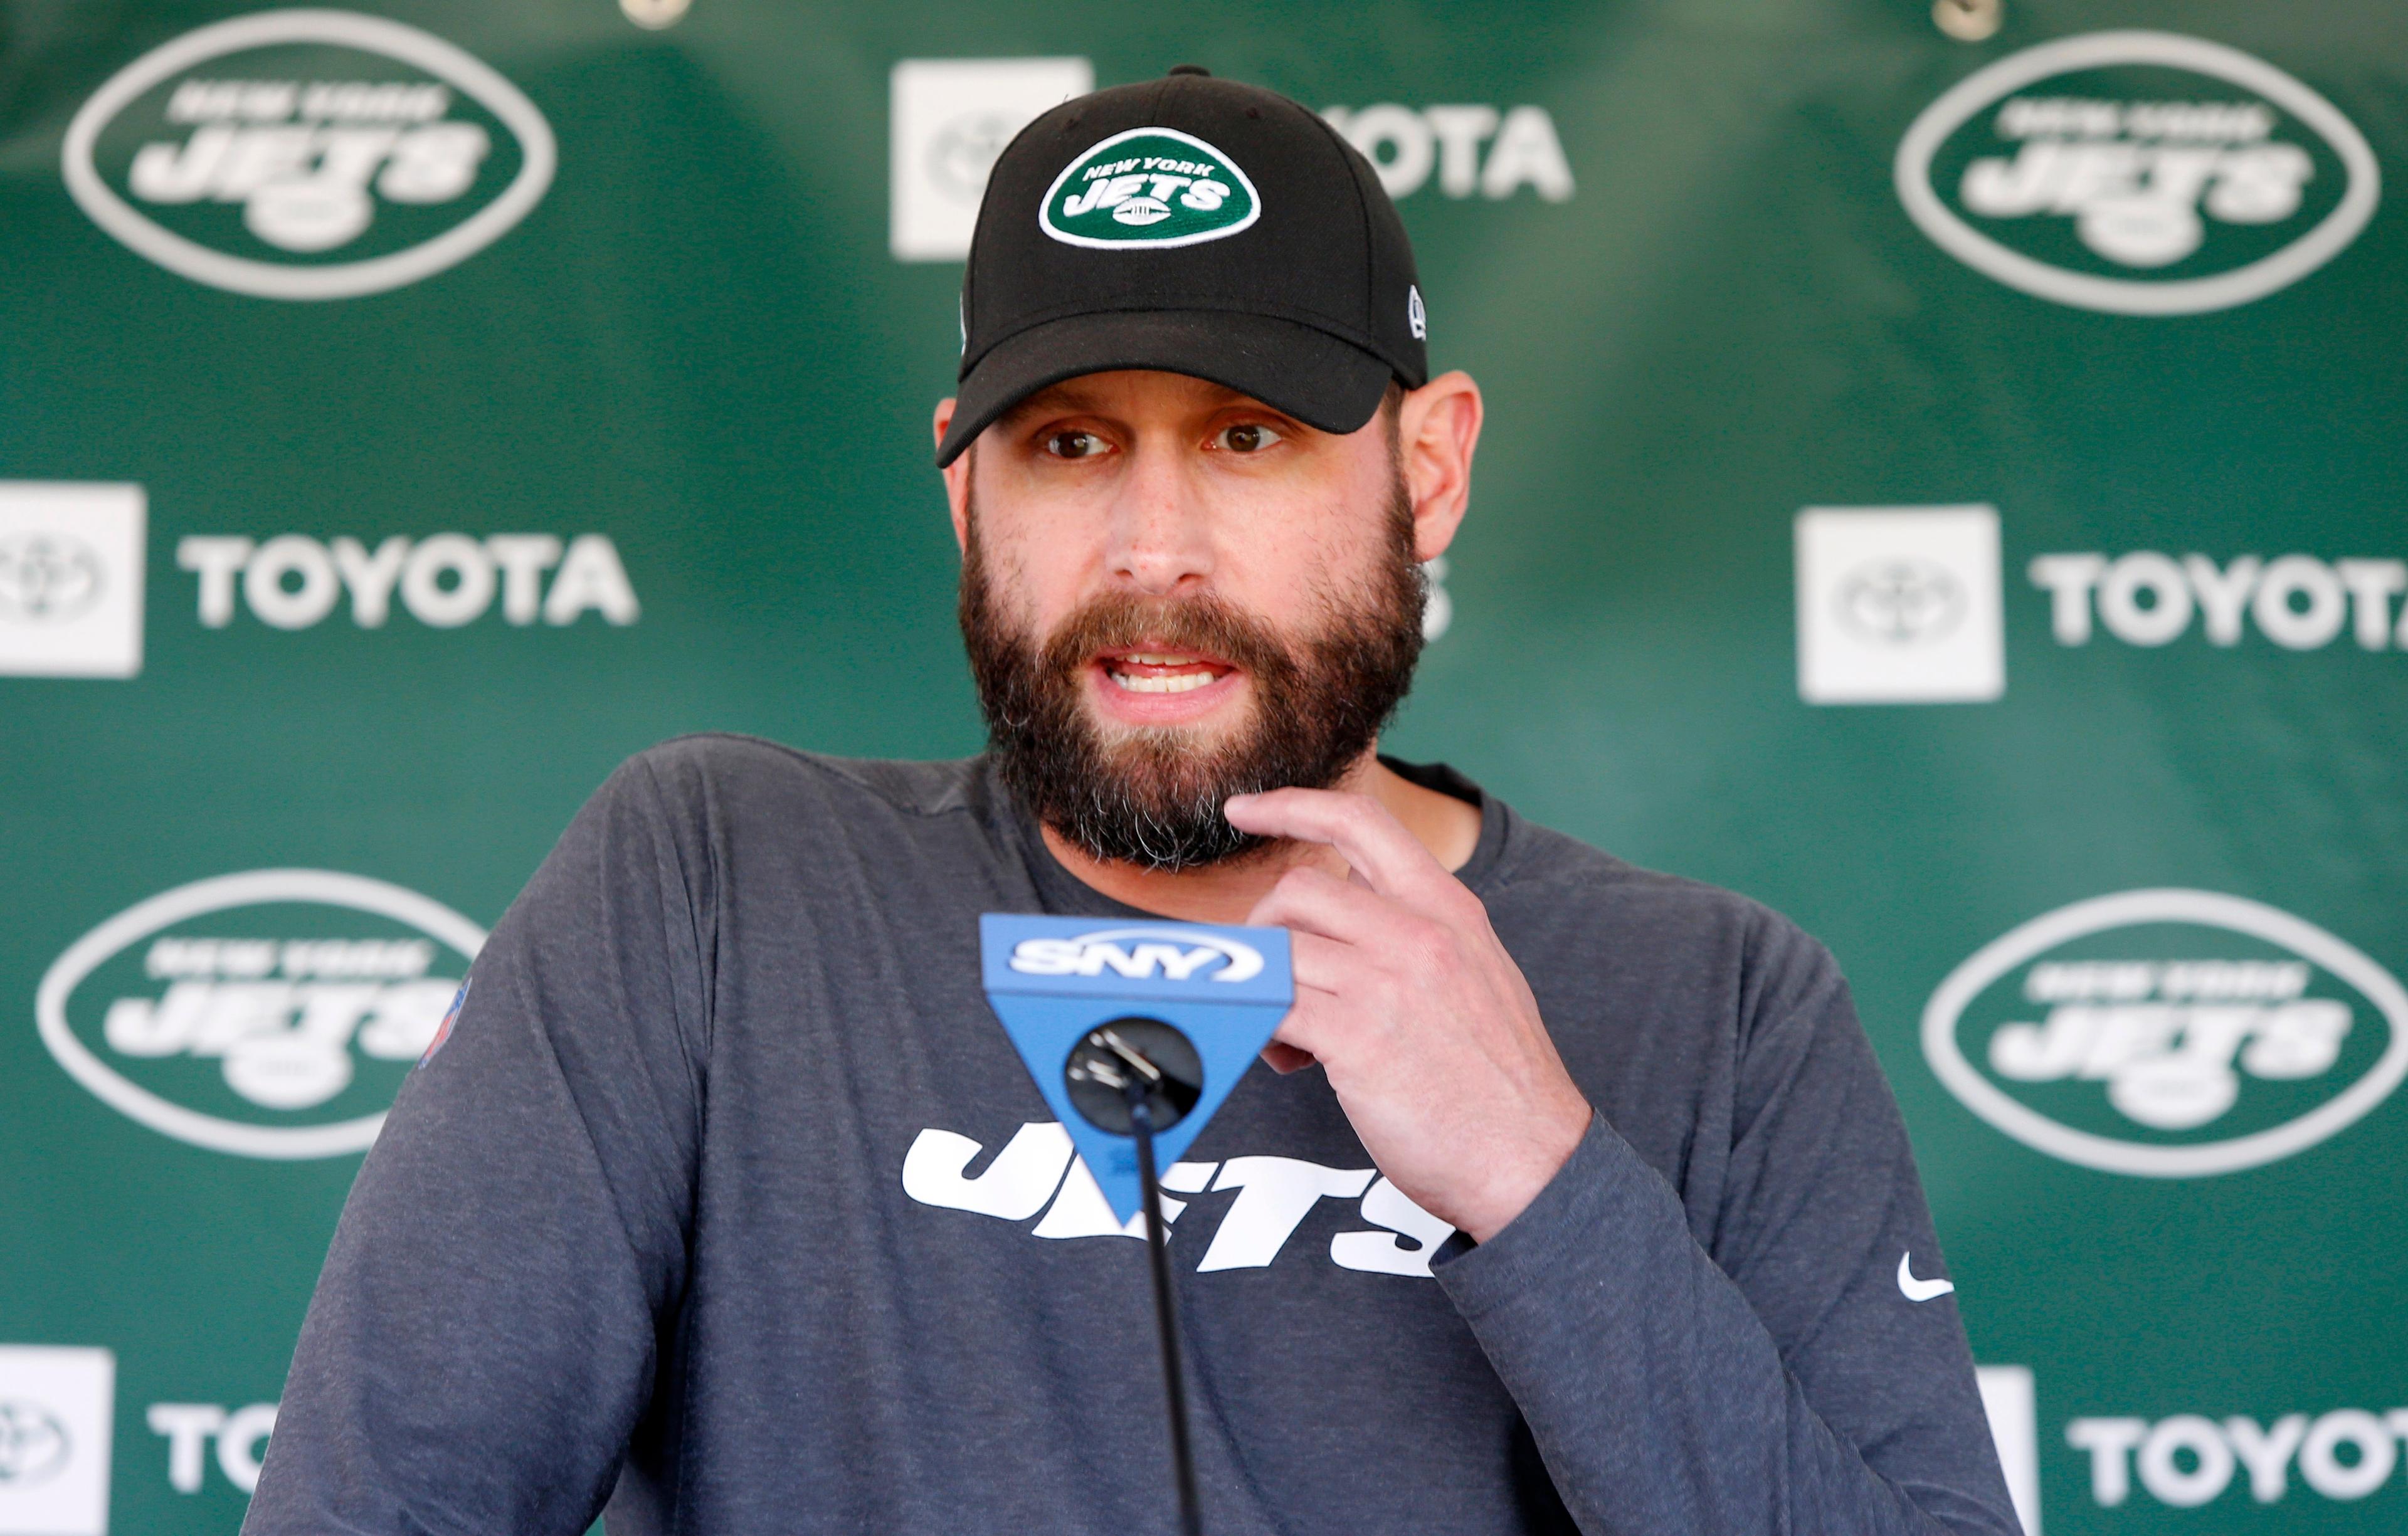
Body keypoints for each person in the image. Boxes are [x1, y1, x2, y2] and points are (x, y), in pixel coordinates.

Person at [245, 70, 2020, 1536]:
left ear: (1430, 469)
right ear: (965, 491)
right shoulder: (707, 892)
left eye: (1249, 435)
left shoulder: (1726, 1005)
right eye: (1069, 443)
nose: (1151, 550)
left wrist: (1541, 1176)